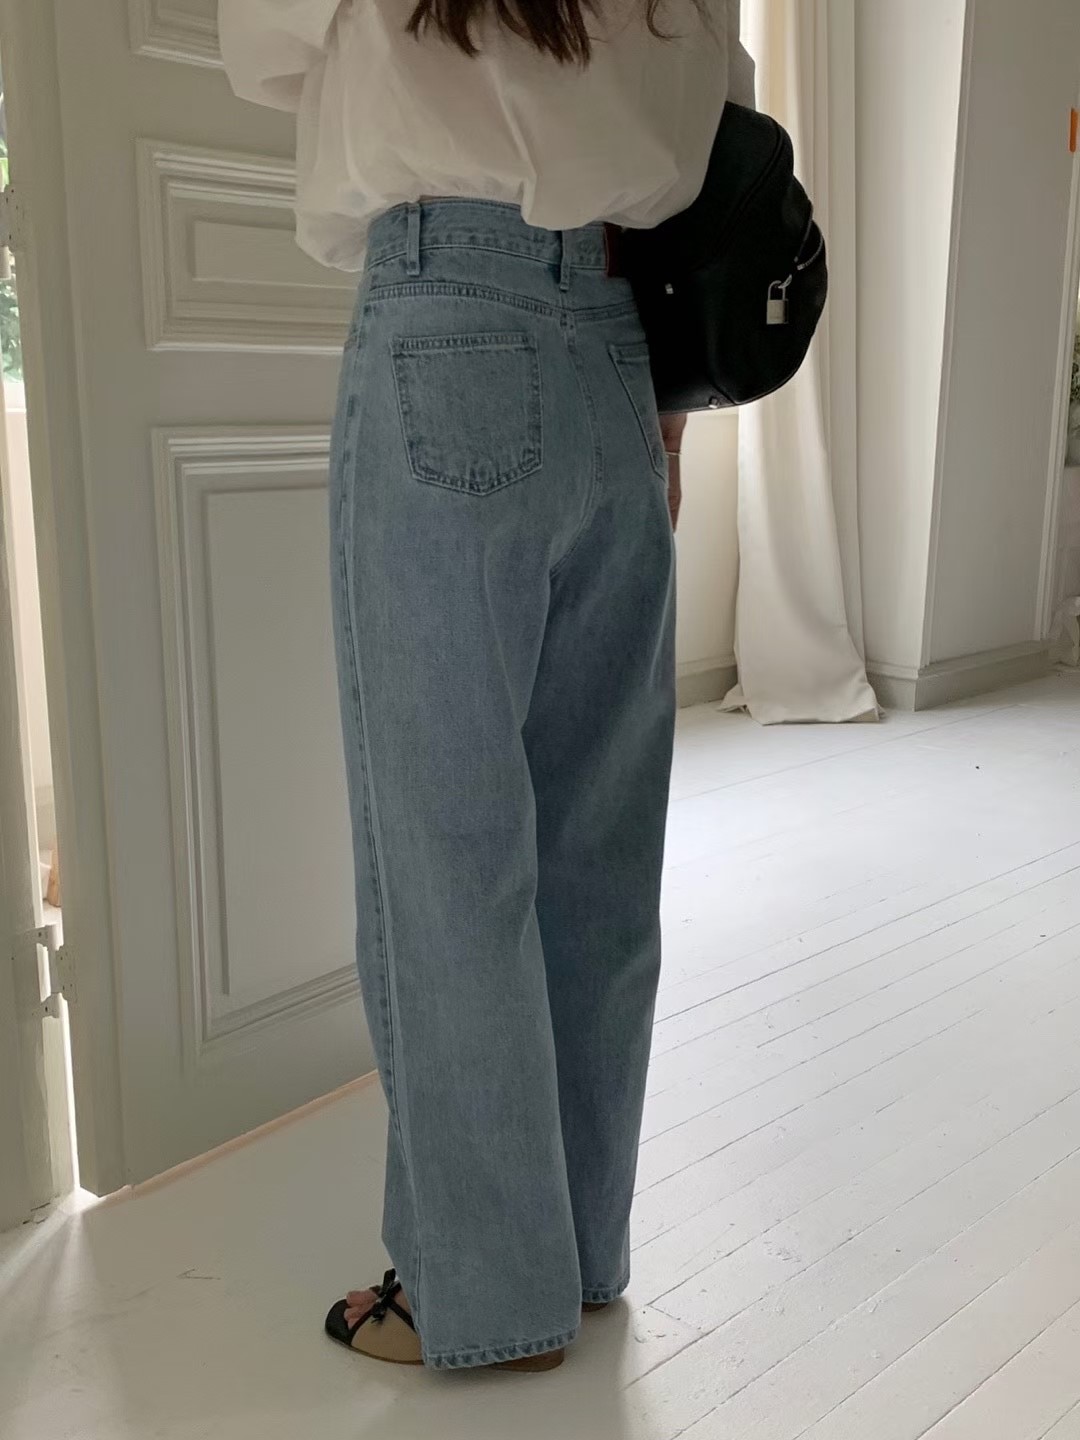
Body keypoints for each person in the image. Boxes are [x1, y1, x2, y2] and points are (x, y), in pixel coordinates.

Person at [218, 0, 754, 1374]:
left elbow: (259, 47)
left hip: (443, 315)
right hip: (625, 347)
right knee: (598, 851)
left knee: (449, 854)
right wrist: (668, 418)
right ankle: (578, 1254)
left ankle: (487, 1296)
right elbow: (724, 108)